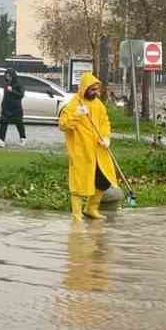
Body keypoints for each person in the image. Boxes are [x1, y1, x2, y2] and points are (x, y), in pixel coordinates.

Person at [57, 72, 119, 221]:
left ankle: (91, 208)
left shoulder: (98, 105)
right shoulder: (74, 104)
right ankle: (76, 214)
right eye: (92, 90)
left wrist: (105, 137)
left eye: (97, 90)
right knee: (79, 182)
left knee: (104, 179)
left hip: (99, 150)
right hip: (81, 151)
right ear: (84, 88)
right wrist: (77, 115)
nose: (95, 93)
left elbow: (105, 122)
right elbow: (63, 125)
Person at [0, 67, 26, 148]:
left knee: (19, 123)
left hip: (16, 108)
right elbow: (5, 95)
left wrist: (12, 91)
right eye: (6, 76)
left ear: (13, 76)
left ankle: (23, 138)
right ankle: (1, 140)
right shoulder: (6, 83)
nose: (8, 77)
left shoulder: (19, 83)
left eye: (9, 76)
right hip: (6, 107)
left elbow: (21, 95)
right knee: (3, 123)